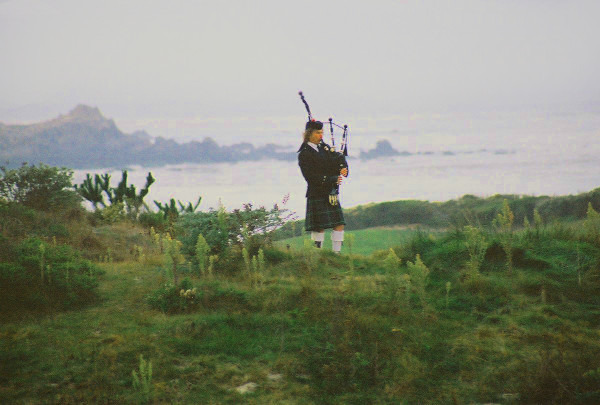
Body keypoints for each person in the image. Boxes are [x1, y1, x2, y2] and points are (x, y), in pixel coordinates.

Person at [297, 120, 349, 253]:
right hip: (317, 192)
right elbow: (310, 177)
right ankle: (317, 254)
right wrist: (331, 179)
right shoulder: (304, 153)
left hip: (330, 191)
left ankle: (336, 254)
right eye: (318, 132)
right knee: (318, 227)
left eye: (322, 132)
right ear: (309, 134)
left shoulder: (323, 148)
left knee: (339, 224)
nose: (321, 135)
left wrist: (343, 167)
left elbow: (338, 157)